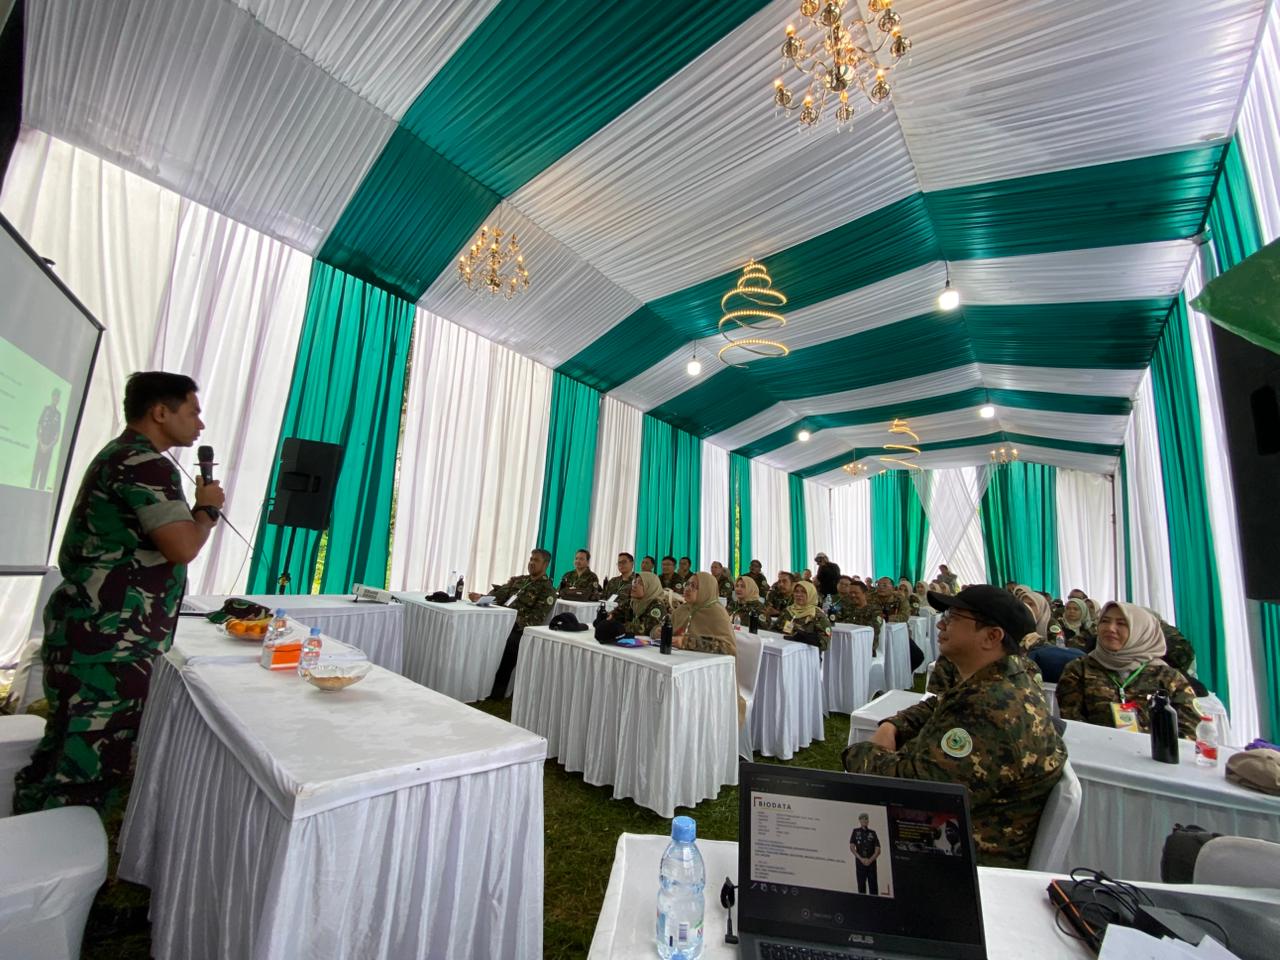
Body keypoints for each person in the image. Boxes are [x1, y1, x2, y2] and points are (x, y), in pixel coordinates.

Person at [14, 372, 224, 815]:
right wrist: (205, 510)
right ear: (160, 412)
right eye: (193, 412)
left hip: (97, 636)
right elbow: (182, 546)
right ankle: (59, 870)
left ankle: (27, 846)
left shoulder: (124, 456)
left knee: (65, 754)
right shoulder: (143, 462)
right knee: (86, 773)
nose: (200, 425)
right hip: (108, 643)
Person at [843, 585, 1065, 869]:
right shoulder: (1000, 680)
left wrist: (861, 752)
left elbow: (916, 792)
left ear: (991, 636)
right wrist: (892, 726)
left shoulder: (991, 710)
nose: (942, 622)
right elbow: (938, 704)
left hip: (954, 861)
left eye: (955, 617)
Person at [1056, 602, 1200, 738]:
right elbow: (1073, 722)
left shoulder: (1168, 677)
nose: (1110, 628)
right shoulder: (1079, 669)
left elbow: (1189, 731)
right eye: (1105, 621)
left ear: (1141, 631)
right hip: (1097, 753)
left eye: (1121, 623)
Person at [473, 548, 558, 699]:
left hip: (519, 629)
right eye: (531, 559)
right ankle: (475, 682)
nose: (531, 563)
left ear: (545, 565)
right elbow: (498, 597)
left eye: (536, 560)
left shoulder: (547, 590)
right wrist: (482, 598)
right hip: (500, 622)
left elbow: (535, 619)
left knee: (510, 644)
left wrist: (510, 621)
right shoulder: (518, 580)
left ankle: (497, 691)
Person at [671, 573, 737, 656]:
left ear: (706, 589)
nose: (688, 589)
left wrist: (688, 643)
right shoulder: (683, 609)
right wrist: (658, 631)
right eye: (687, 584)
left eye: (693, 586)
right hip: (678, 657)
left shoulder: (716, 613)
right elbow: (669, 627)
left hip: (706, 664)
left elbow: (729, 648)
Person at [775, 580, 831, 654]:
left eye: (804, 592)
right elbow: (774, 630)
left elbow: (825, 644)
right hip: (785, 651)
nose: (799, 594)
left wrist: (804, 636)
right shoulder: (788, 611)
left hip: (807, 655)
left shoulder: (817, 615)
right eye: (796, 591)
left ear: (811, 594)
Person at [612, 571, 668, 635]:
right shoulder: (632, 602)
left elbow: (644, 629)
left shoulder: (657, 606)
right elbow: (615, 616)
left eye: (640, 583)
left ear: (650, 587)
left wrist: (617, 627)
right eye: (635, 582)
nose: (634, 586)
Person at [31, 387, 63, 490]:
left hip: (49, 448)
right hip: (40, 445)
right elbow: (38, 428)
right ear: (52, 397)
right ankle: (31, 490)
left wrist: (48, 447)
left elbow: (57, 436)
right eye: (55, 396)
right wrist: (41, 444)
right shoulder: (46, 409)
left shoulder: (58, 415)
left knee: (44, 472)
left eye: (58, 398)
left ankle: (39, 496)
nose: (56, 399)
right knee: (36, 469)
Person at [849, 813, 881, 895]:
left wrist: (870, 860)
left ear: (868, 821)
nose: (864, 821)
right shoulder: (855, 831)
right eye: (862, 819)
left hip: (871, 863)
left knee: (873, 887)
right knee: (861, 887)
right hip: (860, 863)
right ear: (859, 820)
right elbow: (852, 847)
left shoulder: (873, 833)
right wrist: (861, 859)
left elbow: (878, 849)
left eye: (866, 819)